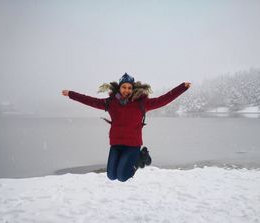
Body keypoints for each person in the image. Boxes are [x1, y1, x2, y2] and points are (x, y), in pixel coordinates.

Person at [62, 73, 191, 182]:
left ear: (133, 89)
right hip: (116, 144)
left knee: (123, 177)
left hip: (132, 144)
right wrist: (71, 94)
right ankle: (132, 161)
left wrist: (182, 88)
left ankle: (141, 157)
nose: (127, 90)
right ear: (119, 88)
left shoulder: (142, 103)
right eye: (124, 87)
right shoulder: (110, 102)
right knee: (111, 176)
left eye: (130, 88)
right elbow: (90, 100)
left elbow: (164, 99)